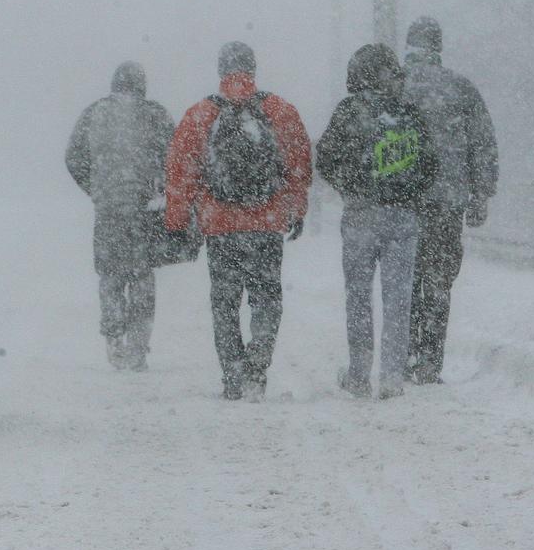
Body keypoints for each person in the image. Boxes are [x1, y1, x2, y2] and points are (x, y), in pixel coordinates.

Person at [165, 42, 311, 401]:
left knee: (225, 302)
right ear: (253, 68)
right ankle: (257, 369)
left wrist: (176, 221)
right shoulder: (278, 110)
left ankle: (232, 375)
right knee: (266, 298)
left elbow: (181, 172)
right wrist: (296, 208)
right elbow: (299, 163)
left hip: (221, 226)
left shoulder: (202, 115)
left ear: (220, 70)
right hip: (266, 223)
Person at [317, 45, 438, 399]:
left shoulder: (348, 111)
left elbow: (324, 160)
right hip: (403, 217)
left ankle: (358, 373)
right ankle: (391, 378)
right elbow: (430, 165)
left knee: (358, 297)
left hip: (360, 216)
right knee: (398, 298)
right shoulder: (410, 113)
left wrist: (351, 187)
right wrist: (408, 192)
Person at [401, 17, 498, 385]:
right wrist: (481, 194)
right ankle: (430, 361)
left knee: (405, 278)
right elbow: (483, 144)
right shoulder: (460, 88)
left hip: (403, 201)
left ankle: (406, 353)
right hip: (448, 200)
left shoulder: (396, 85)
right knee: (439, 280)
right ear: (438, 47)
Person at [65, 62, 177, 370]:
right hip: (145, 210)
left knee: (111, 275)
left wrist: (97, 188)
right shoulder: (155, 114)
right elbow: (179, 156)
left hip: (109, 210)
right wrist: (162, 189)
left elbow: (73, 158)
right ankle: (137, 349)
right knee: (141, 275)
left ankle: (114, 341)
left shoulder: (94, 113)